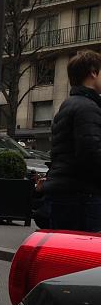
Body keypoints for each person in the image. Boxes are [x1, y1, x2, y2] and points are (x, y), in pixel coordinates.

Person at [43, 50, 101, 232]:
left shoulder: (68, 105)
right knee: (86, 255)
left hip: (66, 193)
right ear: (93, 72)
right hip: (83, 196)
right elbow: (92, 153)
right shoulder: (87, 108)